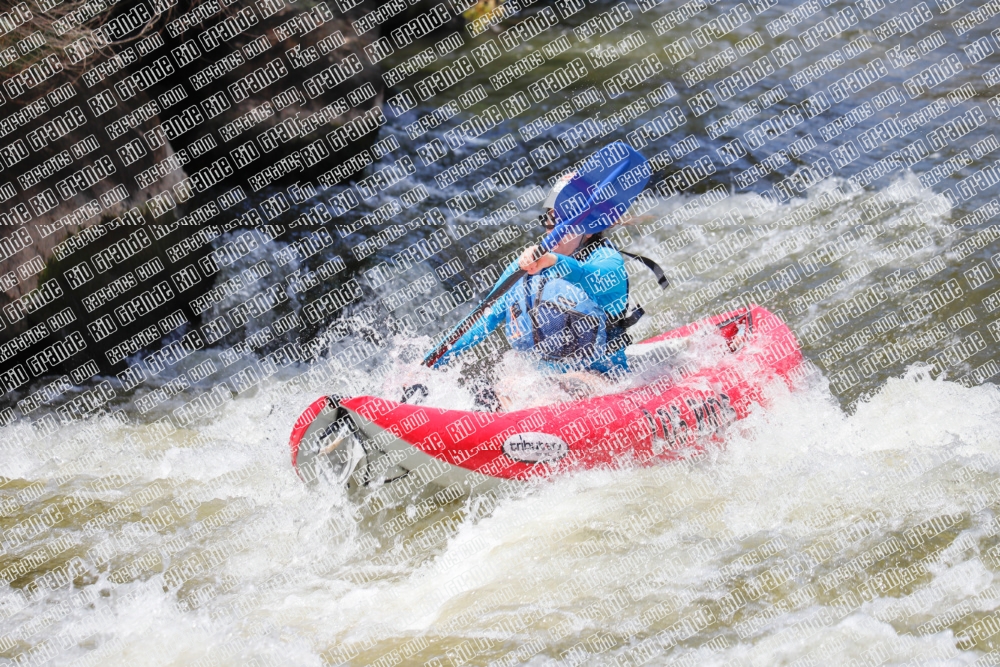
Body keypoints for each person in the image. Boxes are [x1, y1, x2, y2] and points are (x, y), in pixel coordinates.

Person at [431, 173, 654, 408]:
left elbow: (585, 275)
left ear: (589, 228)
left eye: (565, 222)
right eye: (550, 220)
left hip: (606, 379)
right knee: (503, 388)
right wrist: (432, 363)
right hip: (545, 377)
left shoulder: (608, 261)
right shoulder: (527, 266)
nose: (554, 230)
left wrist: (553, 260)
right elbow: (482, 319)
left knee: (562, 386)